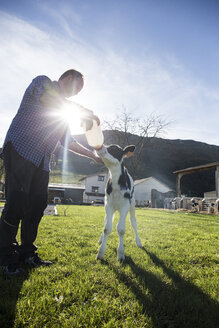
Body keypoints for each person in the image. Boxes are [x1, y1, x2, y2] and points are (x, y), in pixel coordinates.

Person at [0, 69, 101, 277]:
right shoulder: (42, 82)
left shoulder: (62, 114)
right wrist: (83, 111)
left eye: (79, 91)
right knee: (16, 203)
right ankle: (5, 257)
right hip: (20, 148)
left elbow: (69, 142)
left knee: (37, 206)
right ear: (66, 78)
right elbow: (49, 100)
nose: (75, 93)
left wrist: (93, 155)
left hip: (42, 161)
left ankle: (27, 254)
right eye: (76, 87)